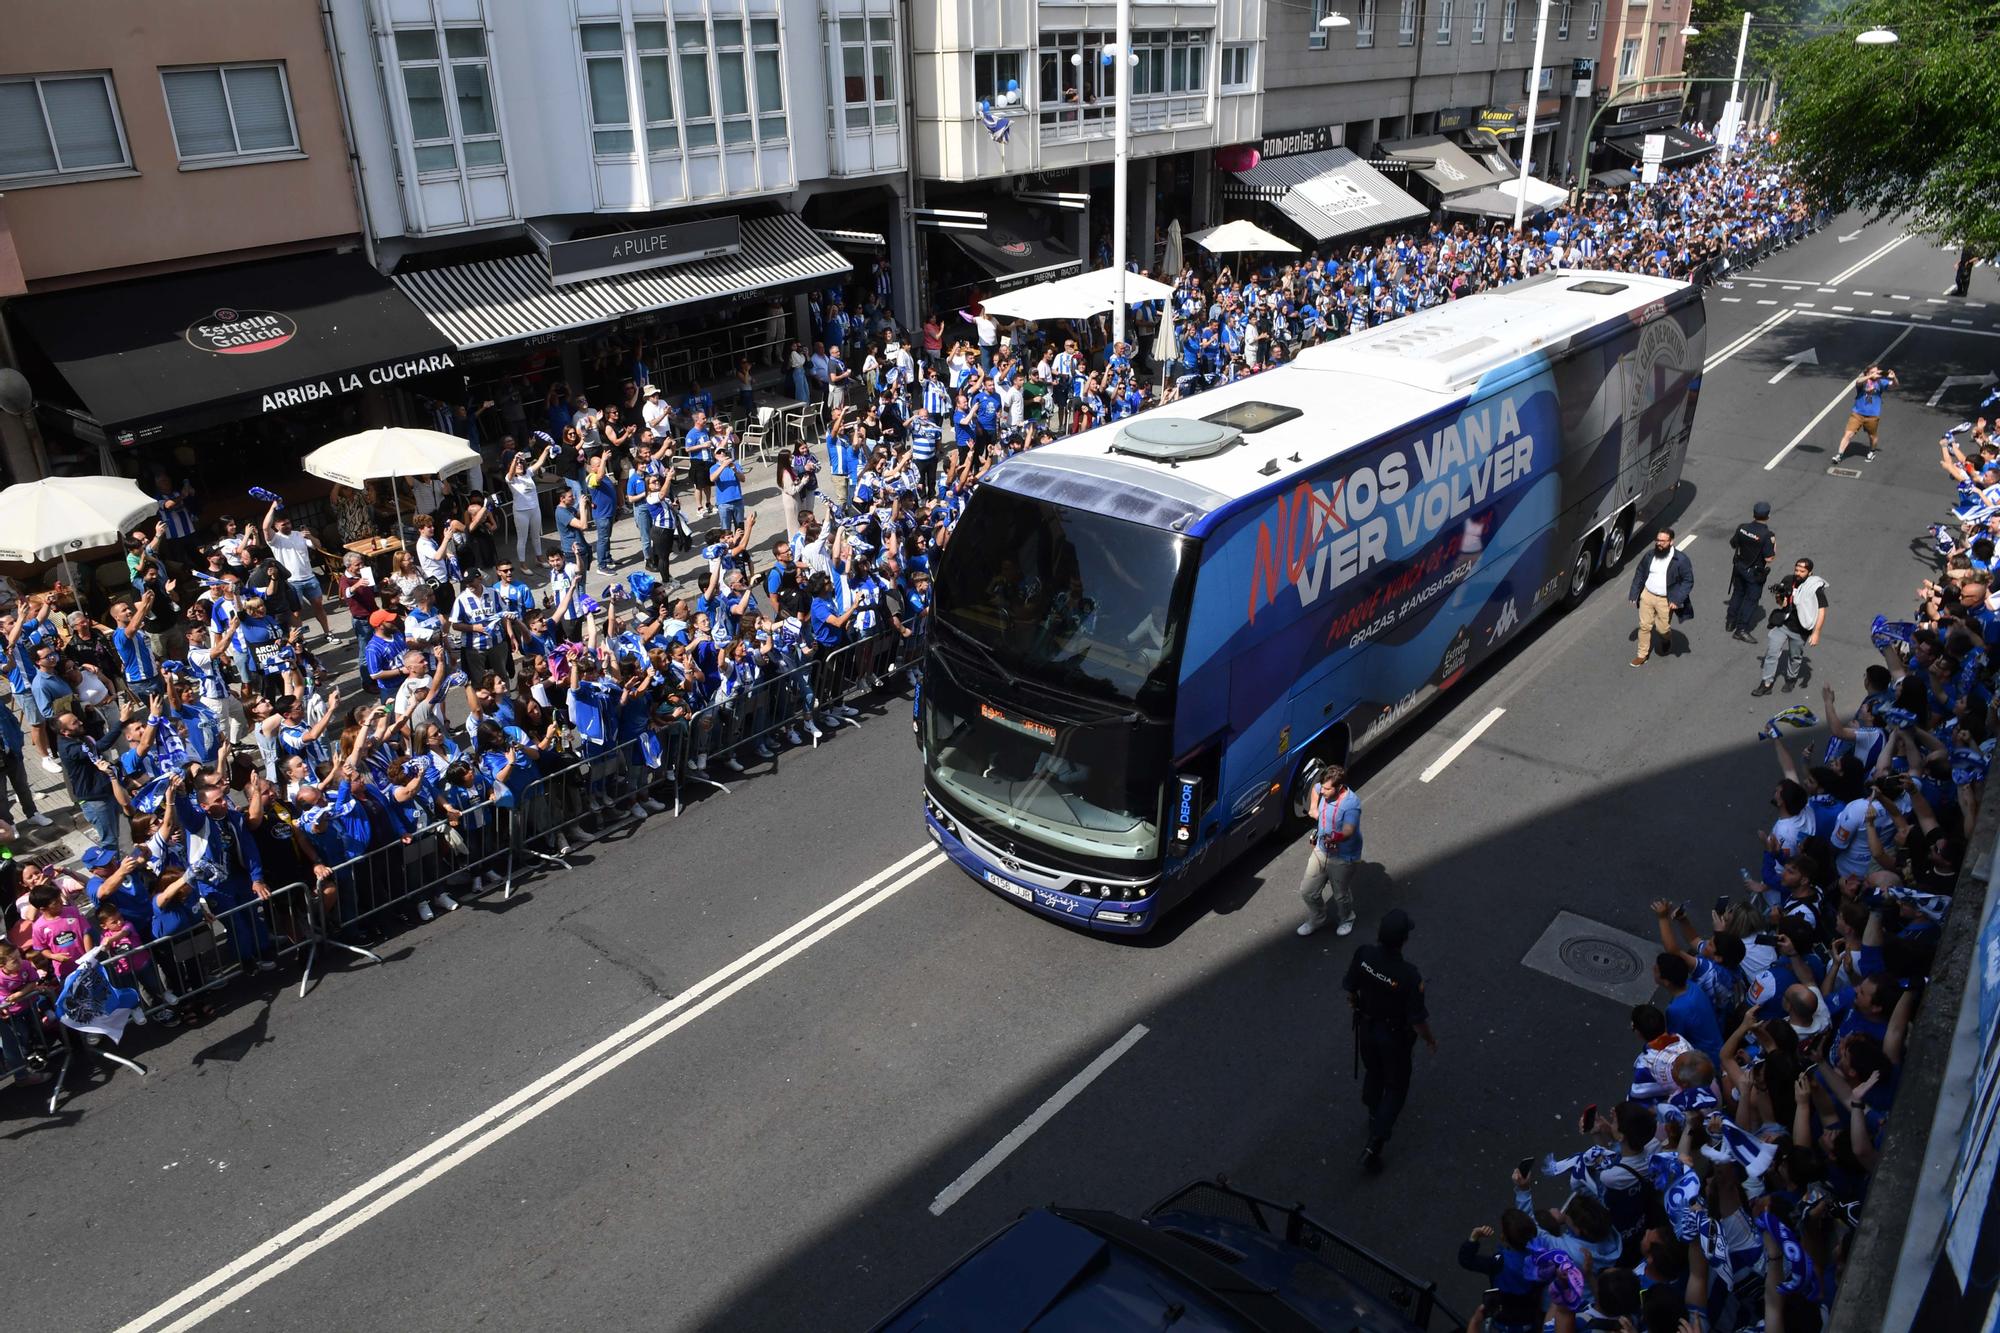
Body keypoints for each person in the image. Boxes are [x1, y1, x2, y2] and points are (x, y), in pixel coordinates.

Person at [1344, 908, 1435, 1173]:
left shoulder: (1364, 955)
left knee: (1374, 1070)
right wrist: (1430, 1039)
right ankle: (1375, 1142)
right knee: (1396, 1086)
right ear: (1404, 940)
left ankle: (1372, 1108)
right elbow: (1417, 1019)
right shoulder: (1409, 975)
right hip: (1393, 1038)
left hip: (1367, 1029)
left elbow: (1350, 989)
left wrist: (1357, 1005)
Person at [1296, 763, 1363, 937]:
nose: (1322, 792)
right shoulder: (1323, 786)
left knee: (1340, 895)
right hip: (1321, 851)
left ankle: (1347, 919)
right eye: (1323, 787)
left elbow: (1348, 831)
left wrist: (1334, 838)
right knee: (1307, 891)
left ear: (1339, 787)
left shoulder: (1351, 804)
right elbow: (1315, 789)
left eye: (1327, 789)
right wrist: (1313, 808)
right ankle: (1318, 918)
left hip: (1343, 856)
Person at [1753, 557, 1830, 697]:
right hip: (1783, 624)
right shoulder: (1788, 580)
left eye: (1802, 571)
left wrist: (1816, 632)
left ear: (1810, 573)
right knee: (1772, 652)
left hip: (1800, 629)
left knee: (1795, 657)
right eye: (1796, 570)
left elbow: (1822, 610)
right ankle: (1766, 683)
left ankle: (1791, 679)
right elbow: (1781, 604)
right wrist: (1780, 596)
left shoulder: (1815, 588)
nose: (1798, 573)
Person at [1626, 527, 1693, 666]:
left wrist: (1677, 599)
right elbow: (1639, 573)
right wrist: (1634, 592)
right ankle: (1642, 655)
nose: (1659, 543)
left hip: (1665, 600)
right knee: (1644, 626)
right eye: (1657, 540)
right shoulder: (1650, 555)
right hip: (1647, 595)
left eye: (1663, 541)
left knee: (1662, 628)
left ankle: (1666, 639)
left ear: (1671, 541)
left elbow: (1688, 581)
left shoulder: (1680, 560)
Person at [1726, 500, 1777, 642]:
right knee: (1751, 600)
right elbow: (1769, 558)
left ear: (1753, 514)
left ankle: (1730, 621)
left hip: (1739, 567)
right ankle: (1741, 630)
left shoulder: (1742, 527)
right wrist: (1774, 544)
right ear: (1768, 516)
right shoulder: (1767, 535)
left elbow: (1733, 544)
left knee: (1737, 593)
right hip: (1754, 573)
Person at [1831, 363, 1898, 466]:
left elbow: (1895, 385)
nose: (1876, 373)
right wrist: (1870, 376)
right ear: (1867, 373)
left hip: (1872, 415)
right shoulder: (1863, 382)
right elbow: (1858, 381)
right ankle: (1839, 455)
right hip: (1857, 413)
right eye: (1872, 372)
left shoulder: (1881, 382)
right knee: (1848, 434)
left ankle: (1872, 451)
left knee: (1872, 436)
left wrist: (1894, 378)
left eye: (1877, 371)